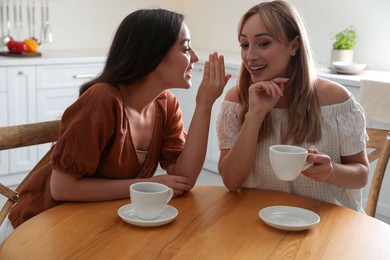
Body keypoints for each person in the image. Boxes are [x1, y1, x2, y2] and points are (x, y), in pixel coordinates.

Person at [1, 8, 230, 240]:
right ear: (154, 55)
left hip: (95, 226)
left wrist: (204, 106)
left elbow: (184, 178)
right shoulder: (102, 99)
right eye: (185, 48)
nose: (194, 58)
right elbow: (61, 188)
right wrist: (146, 184)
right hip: (39, 228)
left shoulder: (166, 104)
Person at [216, 0, 369, 212]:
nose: (250, 56)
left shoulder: (336, 99)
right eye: (244, 44)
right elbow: (231, 182)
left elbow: (361, 175)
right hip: (258, 221)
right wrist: (255, 115)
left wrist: (330, 171)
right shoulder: (237, 101)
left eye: (263, 43)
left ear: (294, 46)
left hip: (326, 223)